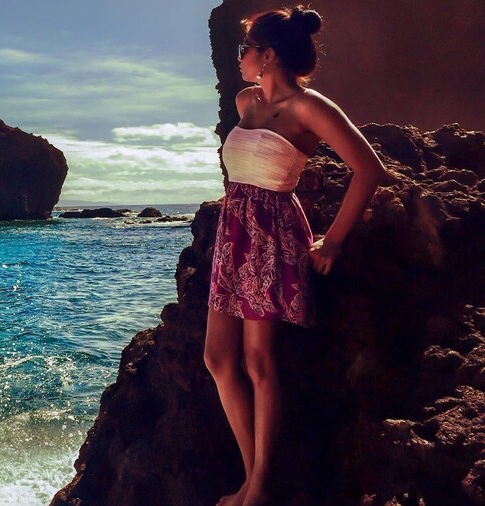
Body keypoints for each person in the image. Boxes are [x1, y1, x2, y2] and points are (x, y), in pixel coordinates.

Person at [202, 5, 385, 506]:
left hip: (271, 235)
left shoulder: (310, 107)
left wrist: (333, 240)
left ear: (268, 55)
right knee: (218, 358)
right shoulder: (245, 101)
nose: (240, 57)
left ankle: (259, 488)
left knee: (259, 362)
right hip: (233, 234)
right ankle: (250, 477)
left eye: (246, 48)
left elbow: (369, 170)